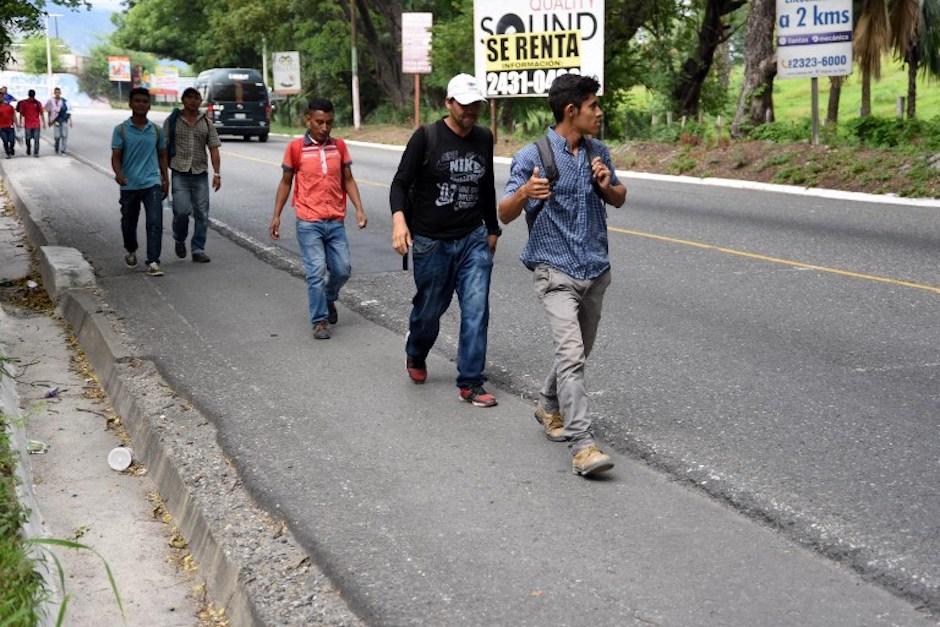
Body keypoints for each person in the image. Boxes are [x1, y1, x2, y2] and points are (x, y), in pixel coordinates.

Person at [498, 74, 627, 477]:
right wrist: (525, 193)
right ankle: (583, 446)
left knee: (577, 352)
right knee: (572, 356)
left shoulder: (598, 152)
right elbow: (504, 212)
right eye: (593, 106)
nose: (599, 112)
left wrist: (606, 185)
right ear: (572, 111)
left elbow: (620, 197)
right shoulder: (531, 157)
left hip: (595, 270)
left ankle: (548, 403)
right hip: (555, 272)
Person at [389, 73, 501, 407]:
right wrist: (399, 221)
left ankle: (471, 382)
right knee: (430, 311)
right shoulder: (426, 137)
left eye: (475, 105)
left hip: (472, 237)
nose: (470, 111)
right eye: (464, 104)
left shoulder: (483, 137)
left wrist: (492, 228)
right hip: (432, 241)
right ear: (449, 103)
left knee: (476, 309)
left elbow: (486, 185)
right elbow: (399, 183)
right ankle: (416, 350)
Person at [269, 98, 368, 340]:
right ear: (308, 120)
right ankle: (320, 321)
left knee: (342, 270)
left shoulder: (339, 147)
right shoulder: (295, 148)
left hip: (335, 220)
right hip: (308, 221)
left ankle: (328, 297)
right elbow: (285, 183)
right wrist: (276, 216)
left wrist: (359, 208)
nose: (324, 128)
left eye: (329, 122)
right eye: (319, 122)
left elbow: (348, 179)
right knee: (316, 272)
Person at [110, 87, 169, 277]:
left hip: (152, 183)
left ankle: (153, 261)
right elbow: (116, 156)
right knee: (129, 222)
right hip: (130, 184)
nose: (141, 104)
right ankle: (131, 249)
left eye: (145, 101)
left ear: (149, 105)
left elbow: (162, 155)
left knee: (155, 221)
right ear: (130, 104)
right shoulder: (121, 130)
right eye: (137, 101)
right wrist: (119, 174)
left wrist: (165, 178)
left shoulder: (156, 131)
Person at [164, 87, 221, 263]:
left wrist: (217, 173)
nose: (193, 101)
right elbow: (163, 147)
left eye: (196, 98)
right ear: (183, 100)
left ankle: (198, 249)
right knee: (181, 211)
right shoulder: (173, 121)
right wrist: (163, 174)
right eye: (189, 97)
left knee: (202, 213)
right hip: (179, 173)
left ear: (200, 101)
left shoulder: (206, 123)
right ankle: (179, 238)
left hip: (200, 173)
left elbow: (214, 148)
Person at [15, 89, 44, 157]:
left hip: (36, 124)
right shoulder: (24, 103)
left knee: (36, 139)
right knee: (28, 138)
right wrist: (20, 122)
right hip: (28, 124)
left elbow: (41, 113)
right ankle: (28, 148)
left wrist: (44, 122)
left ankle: (36, 152)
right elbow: (21, 113)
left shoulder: (37, 103)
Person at [44, 87, 72, 155]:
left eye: (58, 92)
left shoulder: (64, 101)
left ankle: (63, 150)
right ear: (54, 93)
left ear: (60, 93)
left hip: (64, 120)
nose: (57, 94)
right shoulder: (50, 101)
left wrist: (70, 121)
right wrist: (49, 120)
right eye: (56, 92)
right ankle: (56, 146)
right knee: (57, 136)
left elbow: (68, 111)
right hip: (55, 121)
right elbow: (48, 110)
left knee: (64, 135)